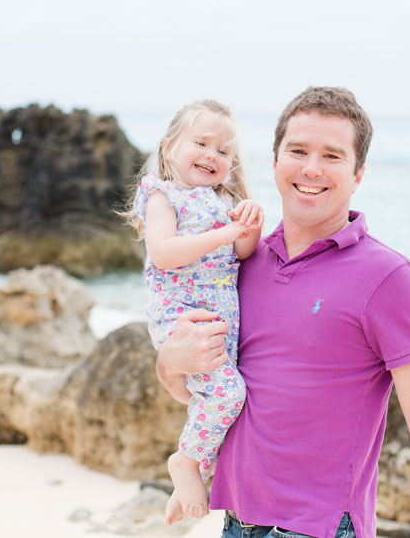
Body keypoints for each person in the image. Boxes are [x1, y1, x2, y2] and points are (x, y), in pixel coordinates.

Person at [155, 87, 410, 538]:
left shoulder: (390, 279)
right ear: (276, 161)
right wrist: (169, 359)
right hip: (235, 523)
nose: (311, 169)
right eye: (297, 151)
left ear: (358, 174)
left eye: (332, 156)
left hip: (319, 529)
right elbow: (195, 390)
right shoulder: (238, 262)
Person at [127, 99, 264, 525]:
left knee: (216, 406)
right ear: (170, 147)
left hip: (218, 323)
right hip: (182, 318)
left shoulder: (222, 201)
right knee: (226, 395)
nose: (212, 155)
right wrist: (225, 230)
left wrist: (249, 227)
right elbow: (164, 253)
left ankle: (188, 480)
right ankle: (185, 463)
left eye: (224, 151)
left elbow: (240, 253)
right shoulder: (162, 196)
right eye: (201, 143)